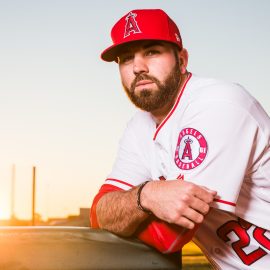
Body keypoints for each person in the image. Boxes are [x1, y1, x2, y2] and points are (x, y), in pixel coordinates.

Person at [90, 9, 270, 269]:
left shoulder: (218, 103)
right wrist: (146, 195)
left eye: (151, 51)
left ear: (182, 60)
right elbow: (100, 215)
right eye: (126, 58)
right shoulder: (137, 128)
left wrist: (128, 212)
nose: (138, 67)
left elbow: (170, 236)